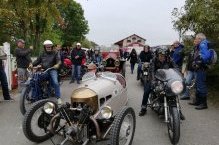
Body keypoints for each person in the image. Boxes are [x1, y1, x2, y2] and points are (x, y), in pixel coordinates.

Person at [139, 48, 178, 116]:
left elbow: (176, 68)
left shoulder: (169, 60)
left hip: (166, 78)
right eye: (160, 55)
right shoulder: (154, 60)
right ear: (157, 55)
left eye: (164, 55)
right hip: (154, 78)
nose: (162, 57)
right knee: (147, 91)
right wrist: (153, 81)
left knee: (174, 91)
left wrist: (179, 77)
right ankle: (143, 108)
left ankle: (178, 110)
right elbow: (152, 71)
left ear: (166, 56)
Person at [31, 40, 62, 104]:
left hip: (52, 69)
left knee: (55, 82)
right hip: (44, 69)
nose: (48, 48)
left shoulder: (55, 52)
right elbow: (37, 61)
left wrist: (57, 64)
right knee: (36, 79)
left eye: (50, 47)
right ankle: (38, 95)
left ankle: (58, 98)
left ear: (52, 47)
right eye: (47, 47)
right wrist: (32, 64)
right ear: (45, 47)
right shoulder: (42, 53)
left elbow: (59, 60)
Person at [188, 33, 210, 110]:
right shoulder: (199, 46)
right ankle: (198, 101)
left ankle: (204, 104)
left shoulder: (203, 45)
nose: (195, 40)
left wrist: (198, 62)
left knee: (201, 85)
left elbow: (205, 57)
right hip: (198, 69)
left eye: (196, 38)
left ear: (200, 39)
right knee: (197, 85)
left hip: (201, 68)